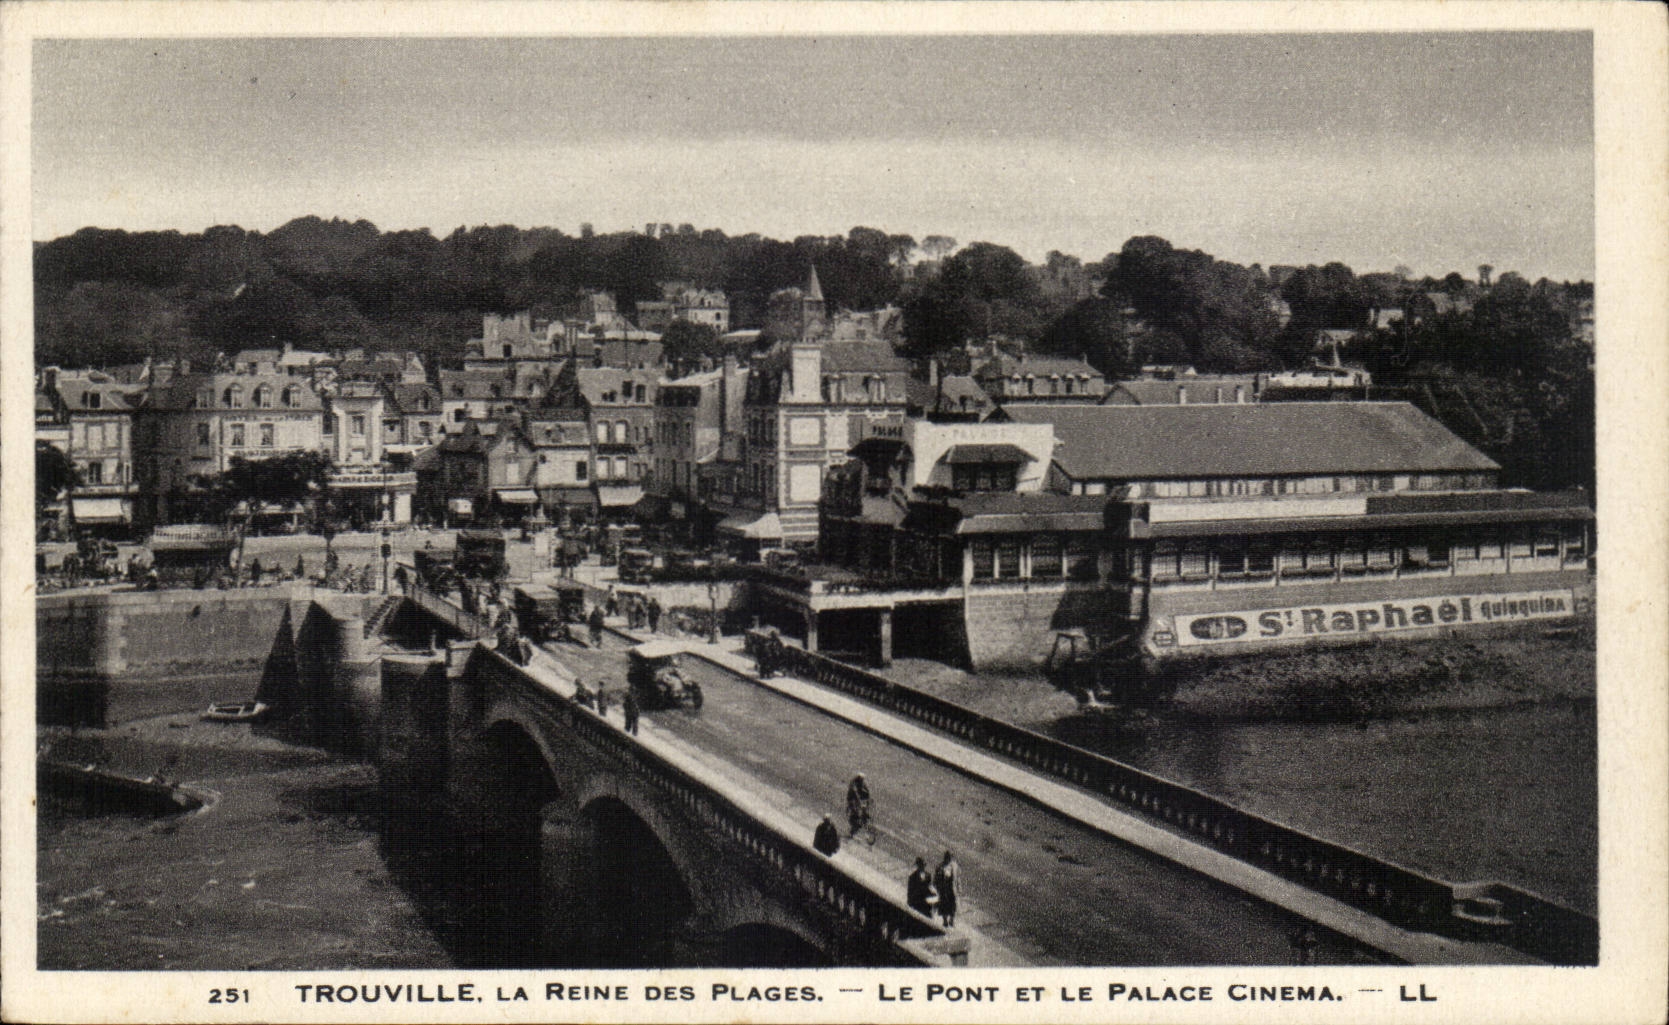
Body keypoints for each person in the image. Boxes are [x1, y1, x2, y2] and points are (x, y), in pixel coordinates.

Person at [933, 851, 960, 927]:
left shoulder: (954, 866)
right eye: (947, 858)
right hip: (944, 890)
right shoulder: (940, 867)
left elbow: (957, 877)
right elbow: (936, 878)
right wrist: (937, 887)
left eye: (949, 858)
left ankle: (952, 920)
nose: (948, 860)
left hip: (952, 889)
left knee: (953, 905)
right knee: (943, 905)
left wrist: (959, 887)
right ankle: (945, 921)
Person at [846, 773, 873, 842]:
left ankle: (863, 821)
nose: (862, 780)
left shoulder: (862, 783)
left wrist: (868, 795)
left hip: (858, 800)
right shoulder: (854, 783)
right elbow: (854, 792)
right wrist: (858, 799)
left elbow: (866, 789)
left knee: (862, 813)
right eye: (861, 779)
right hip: (853, 800)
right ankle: (853, 831)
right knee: (856, 816)